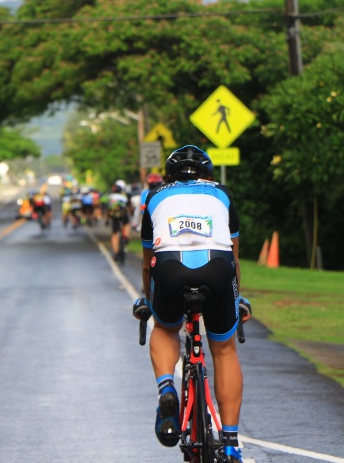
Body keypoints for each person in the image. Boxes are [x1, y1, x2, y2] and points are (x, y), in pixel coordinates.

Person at [133, 145, 251, 462]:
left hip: (169, 268)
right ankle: (229, 444)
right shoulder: (222, 195)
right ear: (208, 175)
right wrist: (237, 300)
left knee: (165, 328)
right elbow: (234, 260)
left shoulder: (155, 197)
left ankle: (167, 389)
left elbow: (147, 264)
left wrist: (149, 299)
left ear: (170, 176)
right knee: (224, 349)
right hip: (217, 267)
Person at [106, 180, 131, 262]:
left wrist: (106, 220)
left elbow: (107, 209)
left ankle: (115, 252)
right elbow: (129, 207)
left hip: (114, 217)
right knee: (127, 223)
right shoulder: (125, 196)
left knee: (114, 234)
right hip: (123, 215)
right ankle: (126, 236)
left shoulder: (110, 197)